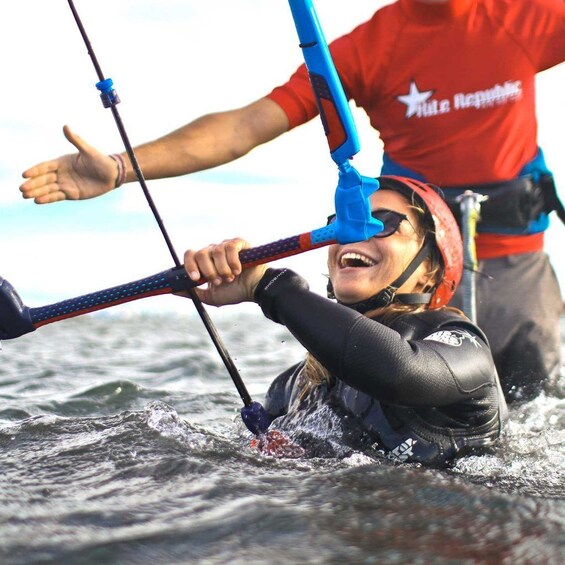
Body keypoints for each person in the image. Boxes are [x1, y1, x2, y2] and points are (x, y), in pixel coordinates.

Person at [19, 0, 565, 403]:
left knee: (532, 413)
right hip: (403, 270)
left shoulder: (522, 17)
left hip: (516, 265)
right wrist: (122, 166)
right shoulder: (370, 47)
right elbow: (250, 122)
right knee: (364, 408)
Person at [182, 175, 507, 466]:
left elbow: (399, 372)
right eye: (341, 223)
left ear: (429, 271)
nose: (352, 233)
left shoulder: (465, 347)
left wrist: (268, 287)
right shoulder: (290, 387)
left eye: (381, 223)